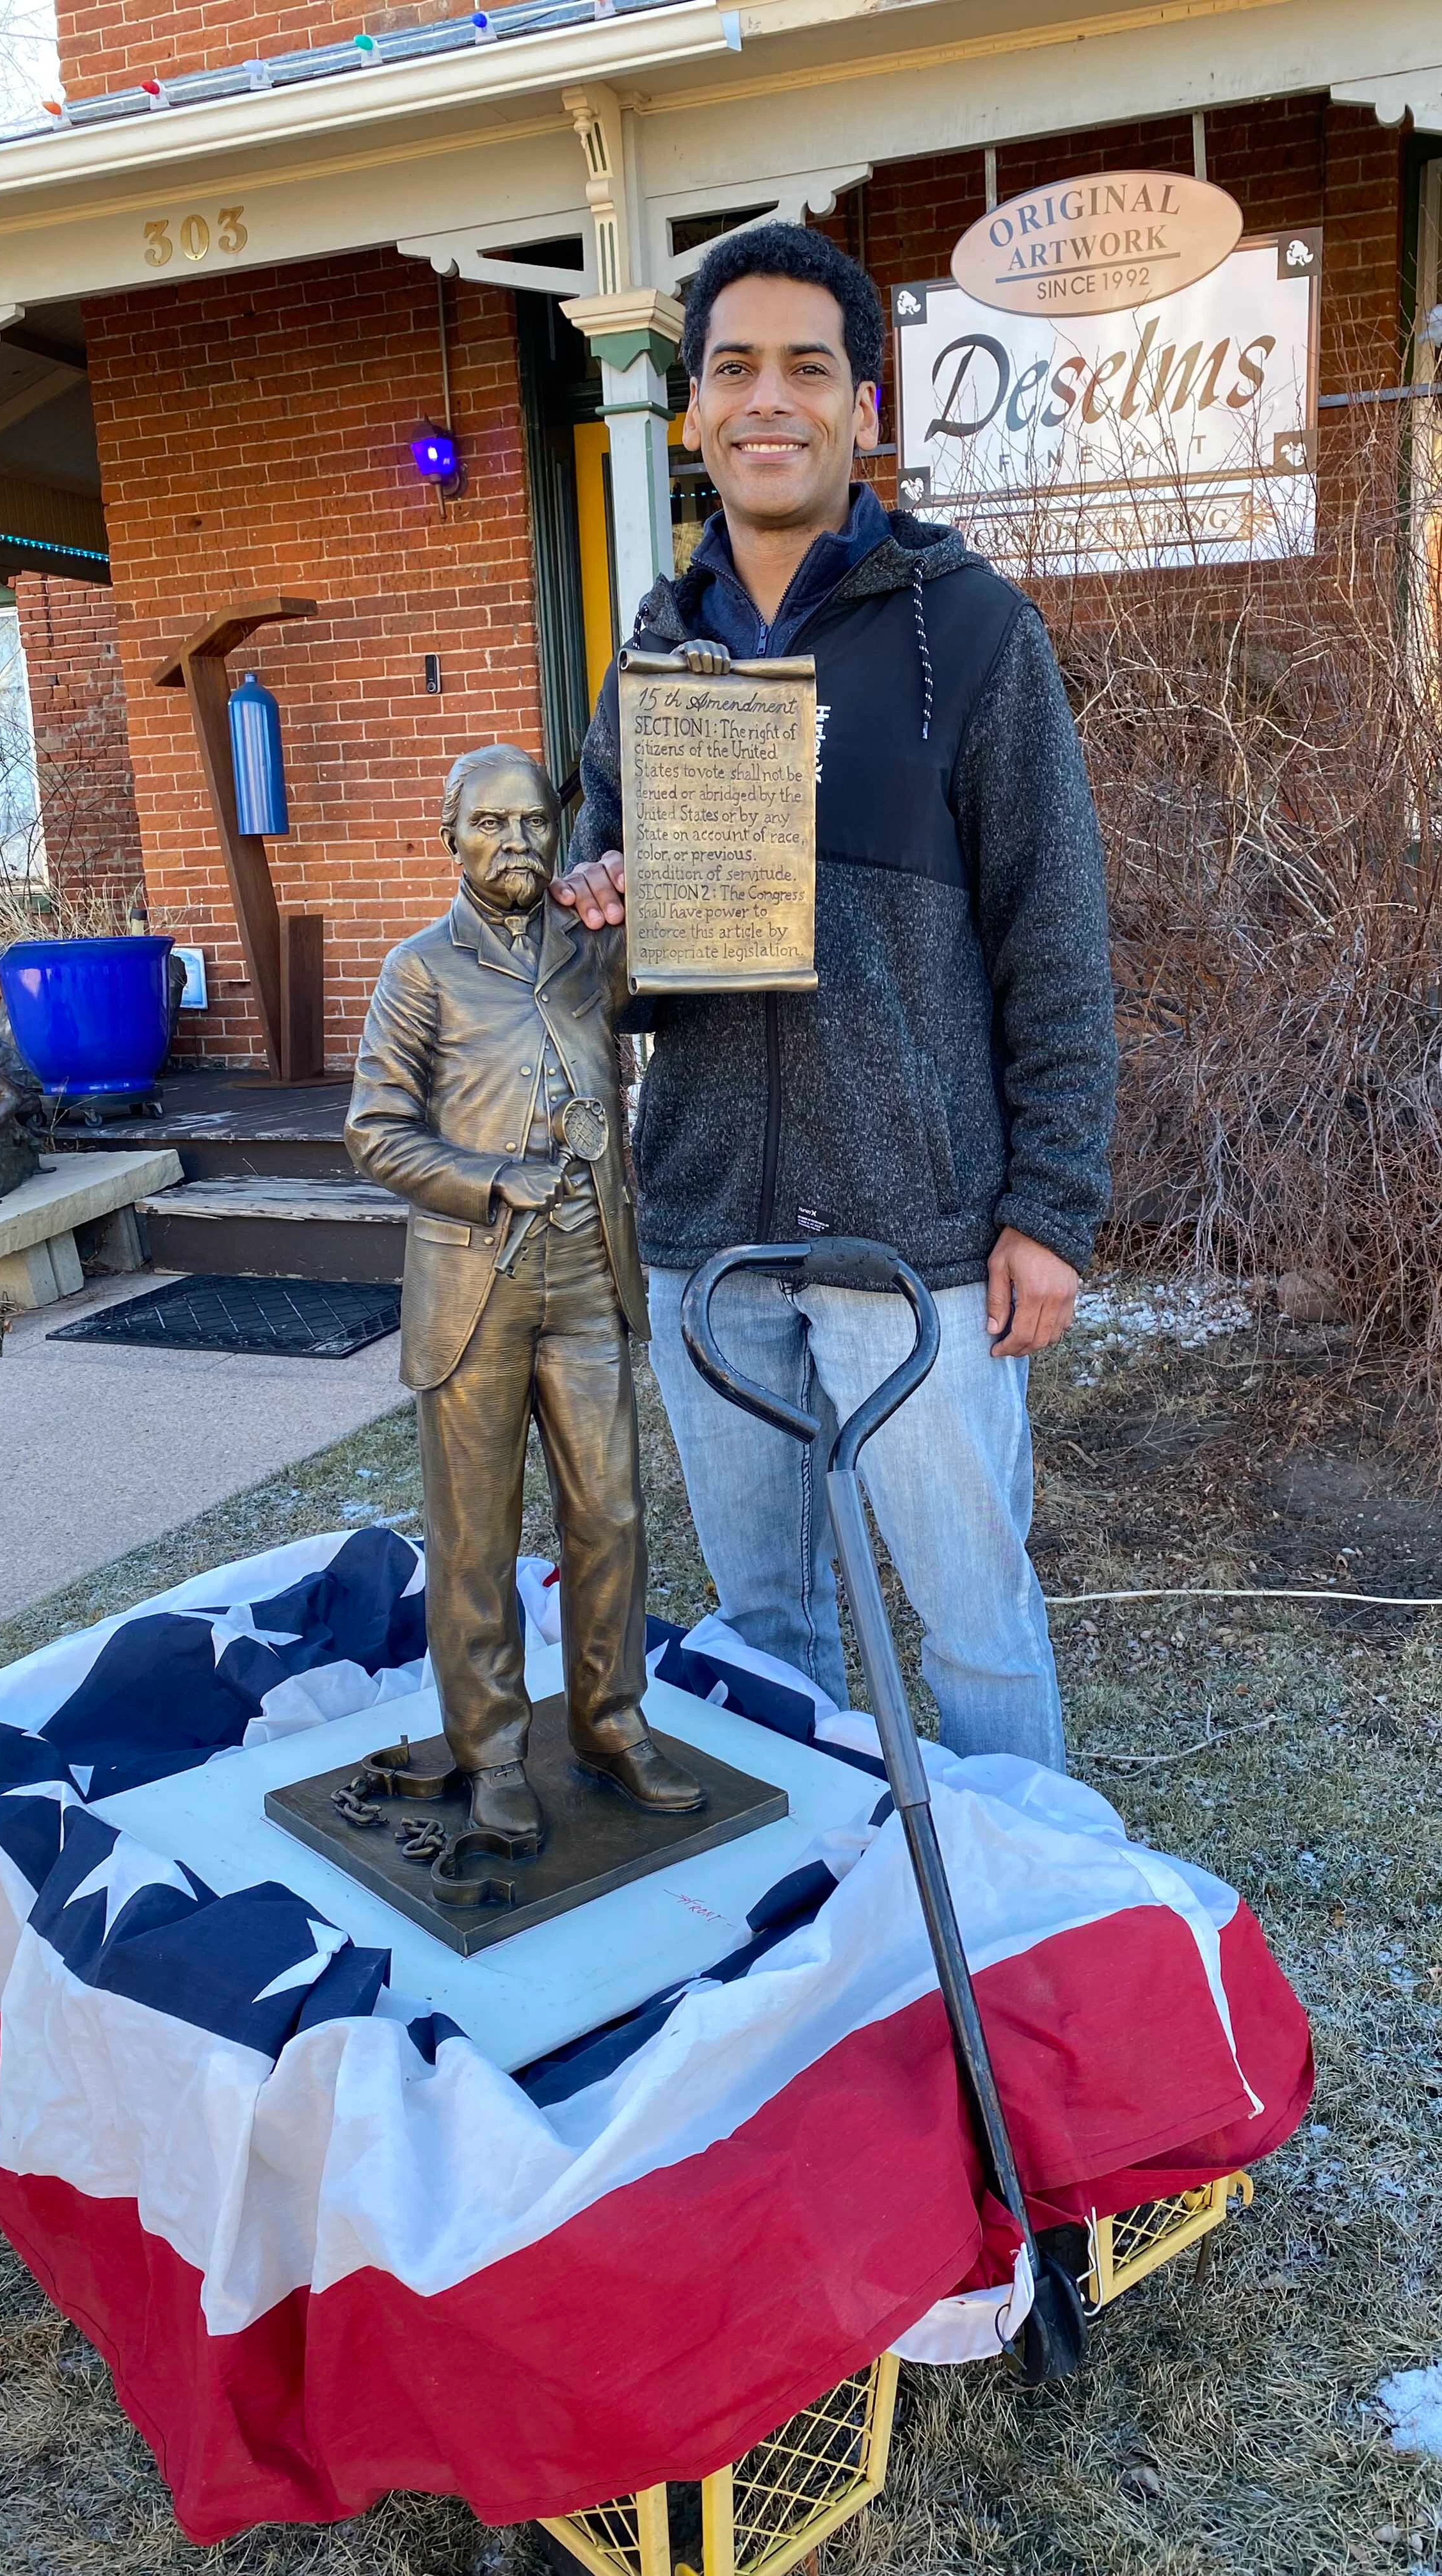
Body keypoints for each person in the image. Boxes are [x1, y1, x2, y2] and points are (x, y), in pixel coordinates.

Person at [555, 223, 1117, 1771]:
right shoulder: (654, 659)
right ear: (689, 409)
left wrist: (1050, 1207)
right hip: (709, 1233)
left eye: (808, 367)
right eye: (733, 366)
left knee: (973, 1616)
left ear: (864, 406)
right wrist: (597, 919)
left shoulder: (979, 632)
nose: (768, 400)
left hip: (915, 1232)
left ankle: (1033, 1935)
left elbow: (1054, 936)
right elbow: (603, 978)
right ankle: (828, 1938)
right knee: (766, 1631)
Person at [346, 743, 703, 1861]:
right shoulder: (419, 971)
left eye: (534, 825)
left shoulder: (594, 952)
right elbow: (373, 1134)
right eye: (490, 825)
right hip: (476, 1286)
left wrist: (691, 719)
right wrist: (490, 1175)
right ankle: (492, 1752)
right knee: (475, 1537)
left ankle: (608, 1724)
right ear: (448, 834)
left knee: (610, 1515)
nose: (515, 845)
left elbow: (696, 953)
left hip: (592, 1270)